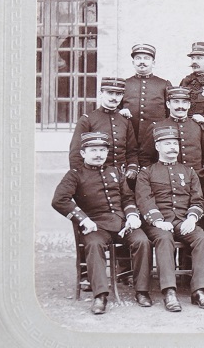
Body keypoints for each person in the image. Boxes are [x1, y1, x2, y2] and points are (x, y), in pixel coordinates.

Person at [52, 132, 153, 315]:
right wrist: (83, 219)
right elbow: (59, 200)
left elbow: (128, 198)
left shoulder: (115, 172)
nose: (98, 154)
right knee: (94, 244)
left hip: (122, 224)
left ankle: (142, 290)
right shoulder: (75, 174)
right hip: (95, 225)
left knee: (143, 241)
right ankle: (100, 295)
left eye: (102, 150)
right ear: (83, 153)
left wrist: (131, 216)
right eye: (93, 150)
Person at [135, 126, 204, 310]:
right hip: (158, 222)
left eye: (174, 143)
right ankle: (169, 292)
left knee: (203, 238)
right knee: (164, 238)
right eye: (167, 144)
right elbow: (145, 200)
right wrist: (158, 221)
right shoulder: (147, 173)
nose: (172, 147)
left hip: (183, 221)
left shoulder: (189, 171)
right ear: (157, 147)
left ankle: (199, 291)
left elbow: (197, 199)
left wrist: (192, 219)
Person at [138, 86, 204, 184]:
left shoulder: (199, 126)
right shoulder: (156, 127)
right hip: (165, 181)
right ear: (168, 104)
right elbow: (145, 157)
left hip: (197, 180)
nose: (180, 106)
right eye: (176, 102)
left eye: (184, 102)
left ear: (189, 105)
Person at [68, 77, 138, 180]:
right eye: (110, 93)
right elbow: (76, 154)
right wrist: (82, 179)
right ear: (101, 93)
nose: (114, 98)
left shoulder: (125, 121)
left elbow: (132, 151)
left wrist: (132, 167)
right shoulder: (87, 120)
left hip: (121, 178)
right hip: (95, 178)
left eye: (118, 94)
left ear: (122, 96)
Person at [119, 43, 173, 144]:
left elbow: (170, 114)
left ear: (153, 63)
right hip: (129, 138)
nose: (142, 62)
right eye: (138, 58)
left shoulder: (164, 84)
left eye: (147, 58)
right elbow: (116, 110)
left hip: (156, 138)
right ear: (133, 62)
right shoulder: (125, 84)